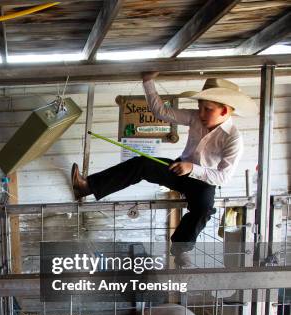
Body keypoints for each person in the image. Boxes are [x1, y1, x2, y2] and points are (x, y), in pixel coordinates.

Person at [71, 72, 258, 266]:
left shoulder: (233, 138)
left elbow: (223, 177)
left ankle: (181, 249)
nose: (201, 113)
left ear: (225, 111)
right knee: (142, 164)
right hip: (179, 169)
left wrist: (192, 169)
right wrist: (148, 81)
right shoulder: (195, 117)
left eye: (207, 109)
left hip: (204, 180)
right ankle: (87, 187)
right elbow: (161, 112)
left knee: (203, 209)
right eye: (199, 107)